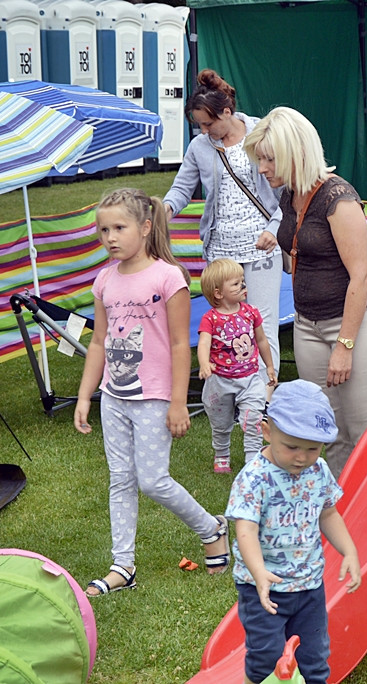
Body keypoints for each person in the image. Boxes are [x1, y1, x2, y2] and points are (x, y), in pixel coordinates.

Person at [74, 188, 230, 596]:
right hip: (114, 397)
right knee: (120, 480)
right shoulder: (104, 280)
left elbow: (180, 344)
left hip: (154, 397)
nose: (110, 237)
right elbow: (98, 342)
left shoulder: (168, 277)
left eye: (119, 228)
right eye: (103, 230)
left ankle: (211, 529)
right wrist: (86, 395)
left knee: (153, 481)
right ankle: (122, 566)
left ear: (145, 228)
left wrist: (179, 402)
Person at [245, 107, 367, 475]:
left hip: (351, 324)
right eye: (260, 159)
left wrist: (346, 345)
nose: (262, 168)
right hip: (307, 324)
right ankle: (337, 503)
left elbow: (361, 275)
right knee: (324, 427)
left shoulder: (338, 197)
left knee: (364, 431)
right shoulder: (290, 195)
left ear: (295, 152)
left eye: (269, 158)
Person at [226, 379, 361, 684]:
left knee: (314, 660)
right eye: (292, 447)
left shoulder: (318, 470)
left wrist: (349, 551)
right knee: (265, 660)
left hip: (309, 586)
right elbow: (245, 530)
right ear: (267, 431)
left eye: (312, 448)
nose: (302, 457)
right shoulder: (254, 478)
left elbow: (328, 513)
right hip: (265, 589)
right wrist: (259, 573)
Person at [163, 69, 282, 375]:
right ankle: (232, 385)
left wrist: (274, 228)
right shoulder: (199, 147)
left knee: (262, 320)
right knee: (225, 322)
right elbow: (182, 188)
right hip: (221, 248)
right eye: (199, 125)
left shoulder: (262, 134)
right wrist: (165, 209)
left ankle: (265, 389)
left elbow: (287, 189)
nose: (204, 131)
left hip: (262, 245)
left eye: (208, 123)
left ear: (227, 112)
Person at [198, 258, 277, 474]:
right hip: (219, 382)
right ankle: (222, 454)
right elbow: (204, 343)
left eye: (242, 281)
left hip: (250, 379)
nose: (243, 285)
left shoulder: (251, 312)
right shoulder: (210, 319)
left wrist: (270, 366)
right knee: (220, 423)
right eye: (235, 283)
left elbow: (262, 340)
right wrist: (204, 364)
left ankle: (252, 459)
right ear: (218, 293)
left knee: (253, 419)